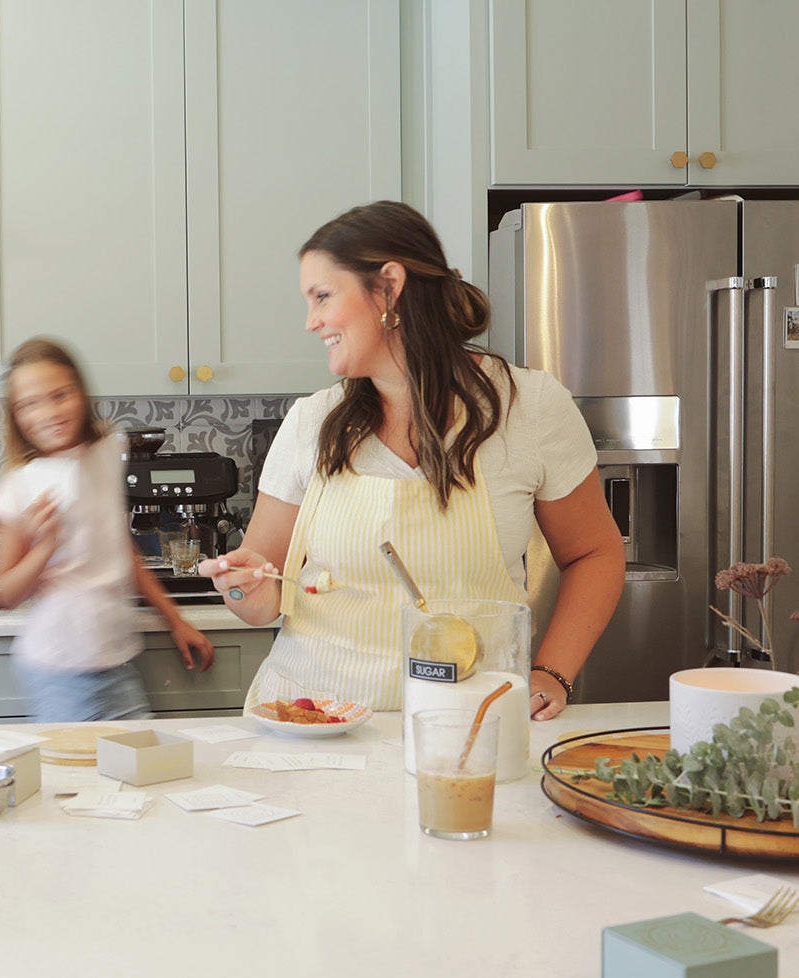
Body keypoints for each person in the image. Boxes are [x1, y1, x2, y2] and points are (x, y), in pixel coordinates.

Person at [200, 201, 624, 721]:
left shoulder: (529, 408)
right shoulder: (313, 422)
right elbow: (264, 598)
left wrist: (553, 671)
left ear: (389, 288)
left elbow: (595, 553)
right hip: (314, 723)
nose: (311, 323)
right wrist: (241, 584)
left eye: (323, 297)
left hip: (471, 723)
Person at [0, 337, 215, 722]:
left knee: (140, 775)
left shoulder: (108, 451)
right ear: (15, 415)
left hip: (117, 661)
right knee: (76, 782)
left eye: (60, 395)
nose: (48, 413)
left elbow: (121, 550)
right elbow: (3, 594)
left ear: (82, 393)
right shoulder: (17, 485)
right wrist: (45, 547)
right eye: (30, 403)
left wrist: (175, 621)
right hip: (58, 668)